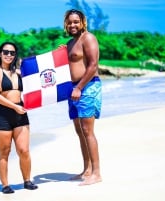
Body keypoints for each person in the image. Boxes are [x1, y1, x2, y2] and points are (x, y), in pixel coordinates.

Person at [0, 42, 38, 194]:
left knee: (24, 150)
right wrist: (14, 106)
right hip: (2, 114)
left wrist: (59, 52)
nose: (9, 55)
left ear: (15, 55)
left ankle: (27, 180)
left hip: (20, 113)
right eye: (6, 52)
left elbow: (40, 75)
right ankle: (5, 185)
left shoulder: (19, 72)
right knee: (4, 151)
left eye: (12, 53)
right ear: (0, 54)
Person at [64, 9, 102, 185]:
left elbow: (93, 65)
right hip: (73, 90)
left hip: (86, 87)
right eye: (69, 22)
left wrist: (79, 87)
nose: (72, 25)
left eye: (75, 22)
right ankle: (87, 170)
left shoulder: (88, 38)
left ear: (82, 23)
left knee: (88, 131)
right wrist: (61, 53)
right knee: (80, 131)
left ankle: (96, 173)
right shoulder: (70, 43)